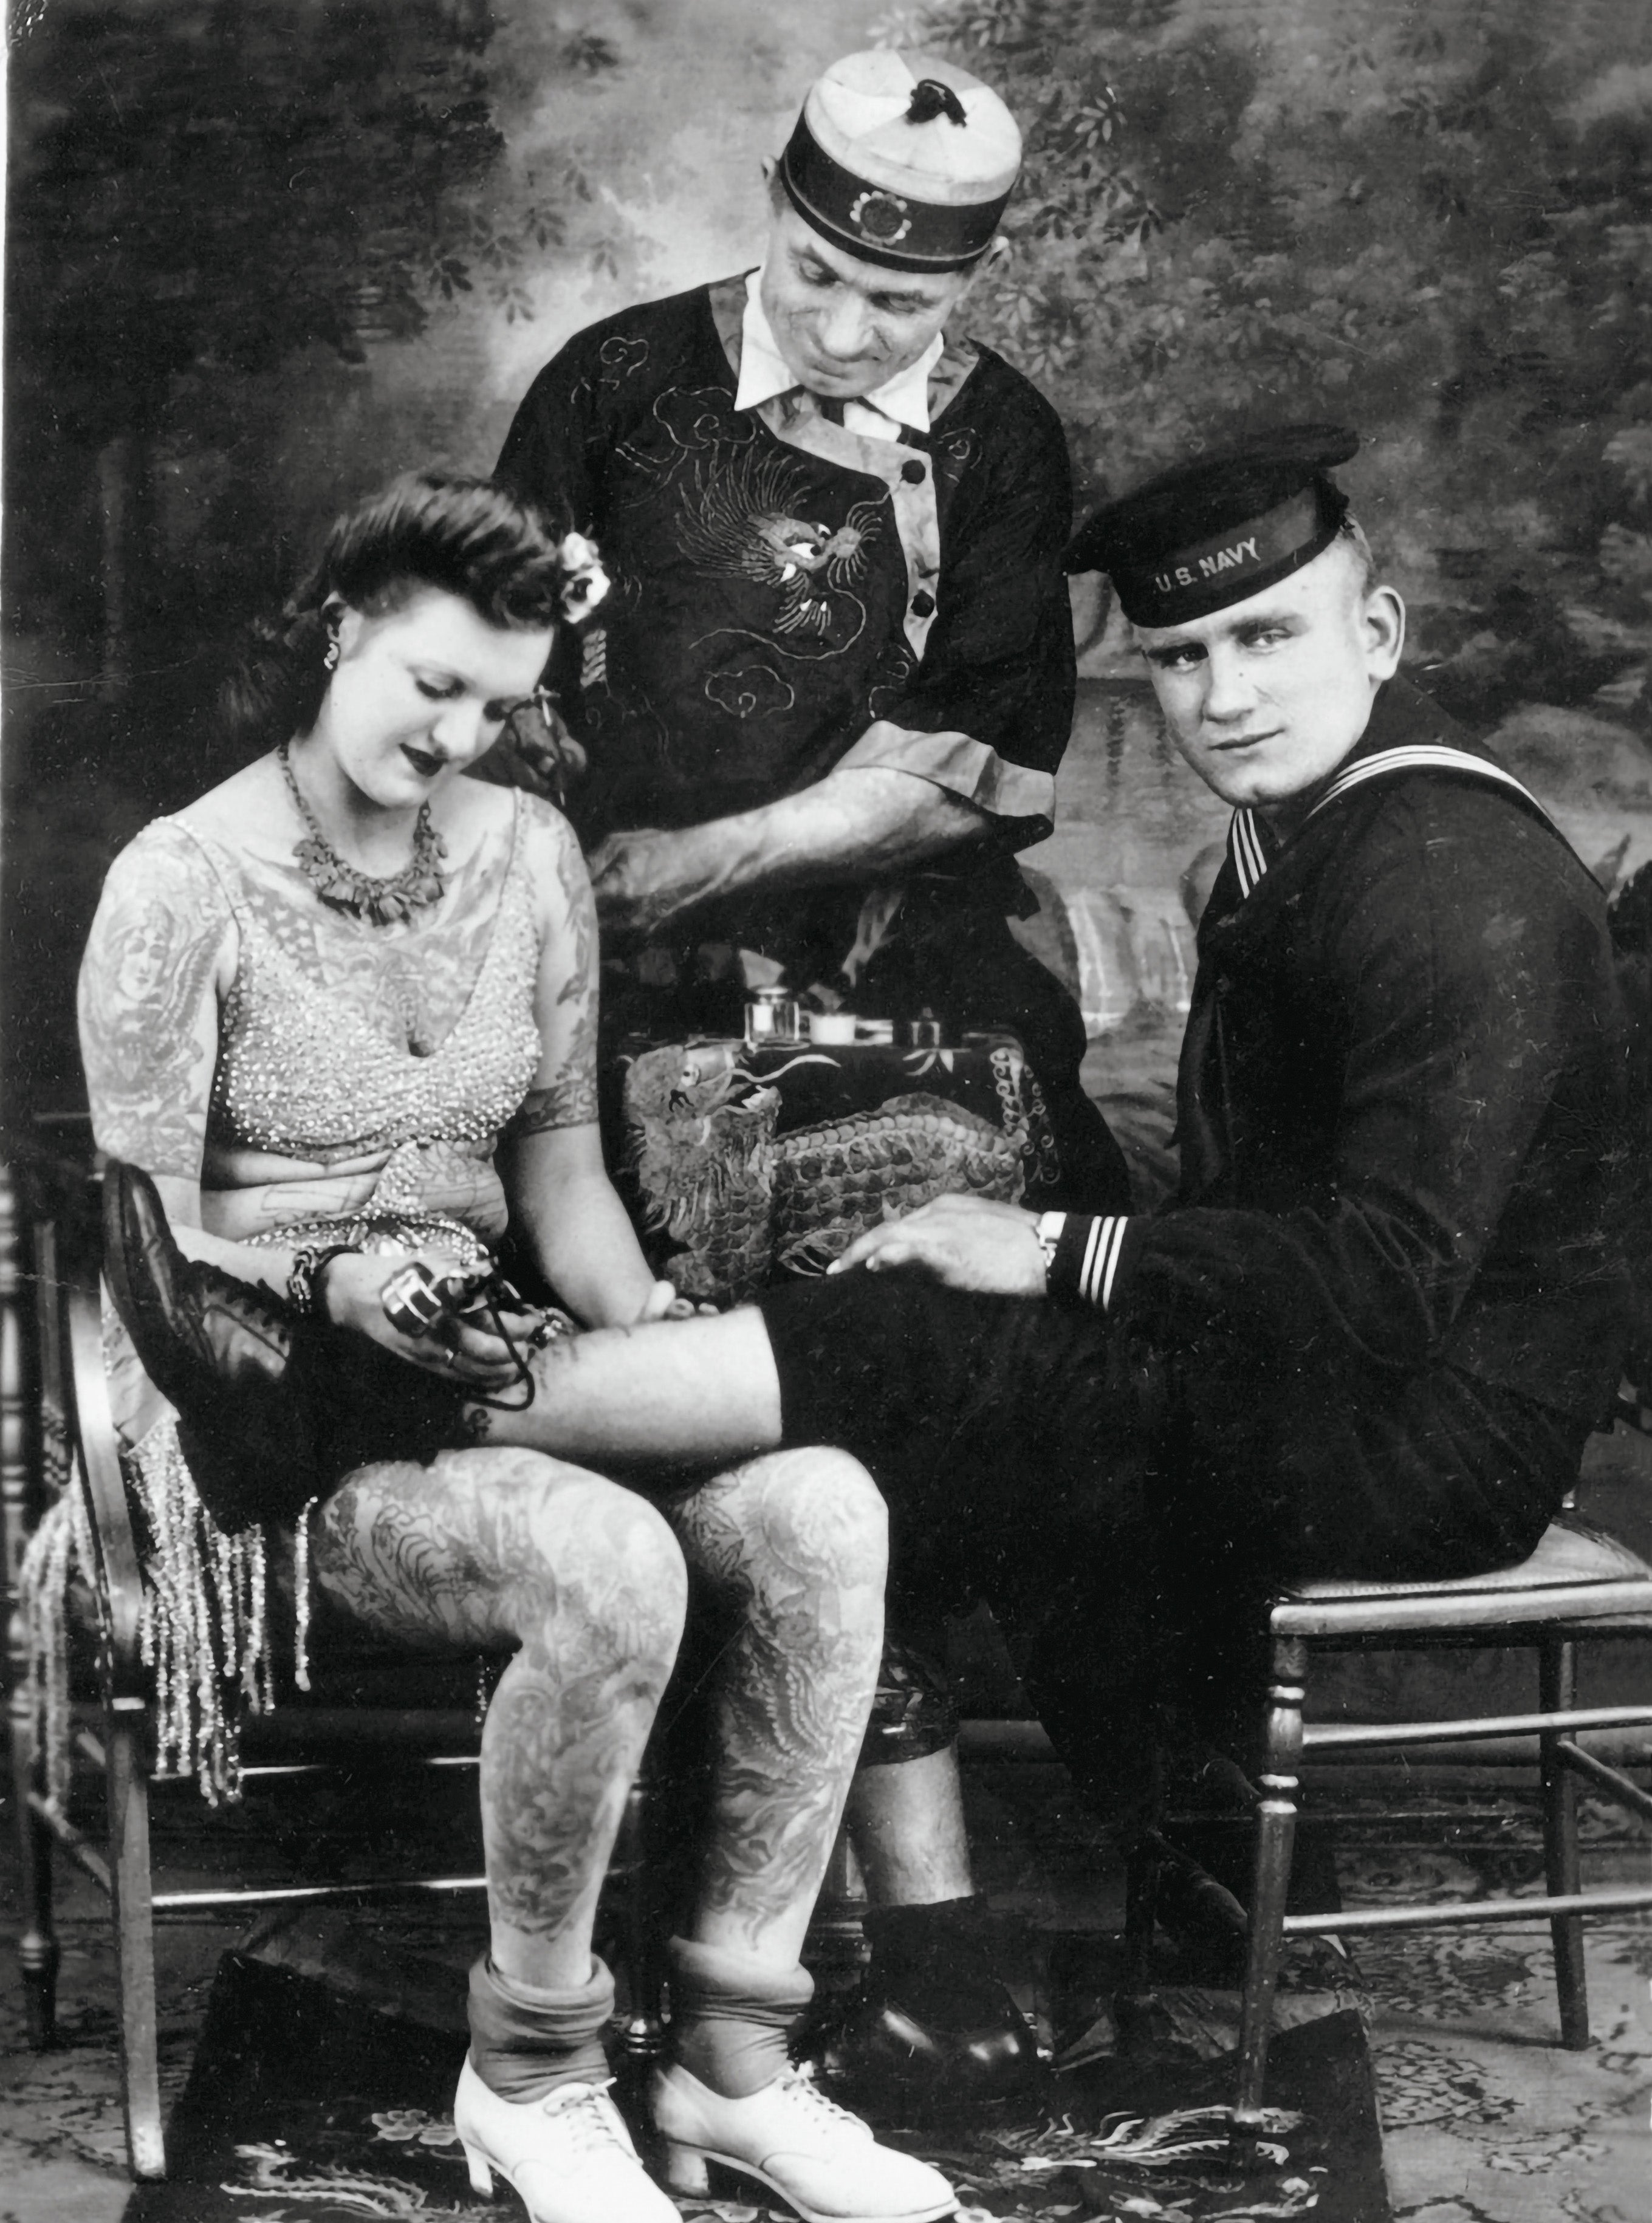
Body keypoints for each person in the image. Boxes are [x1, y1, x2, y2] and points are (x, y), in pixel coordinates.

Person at [116, 424, 1630, 2025]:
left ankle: (329, 1404)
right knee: (930, 1393)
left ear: (1378, 633)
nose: (1225, 695)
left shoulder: (1449, 872)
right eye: (1184, 657)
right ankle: (979, 1946)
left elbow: (1384, 1287)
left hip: (1436, 1431)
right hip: (1327, 1377)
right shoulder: (1309, 830)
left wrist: (1051, 1252)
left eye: (1268, 638)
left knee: (952, 1353)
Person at [81, 469, 955, 2223]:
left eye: (501, 703)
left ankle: (730, 2058)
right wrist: (341, 1282)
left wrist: (635, 1325)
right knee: (606, 1556)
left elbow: (559, 1172)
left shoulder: (530, 853)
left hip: (504, 1360)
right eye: (435, 686)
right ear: (339, 628)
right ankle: (538, 2073)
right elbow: (152, 1237)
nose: (462, 737)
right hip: (270, 1409)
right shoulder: (179, 881)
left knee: (823, 1509)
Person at [491, 46, 1129, 2092]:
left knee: (938, 1277)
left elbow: (972, 768)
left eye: (904, 303)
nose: (853, 331)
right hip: (629, 989)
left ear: (971, 281)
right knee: (769, 1291)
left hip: (909, 972)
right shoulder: (615, 387)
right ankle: (882, 1916)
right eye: (820, 277)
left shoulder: (1002, 441)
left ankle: (864, 1917)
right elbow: (494, 674)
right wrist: (573, 858)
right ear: (772, 208)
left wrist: (726, 851)